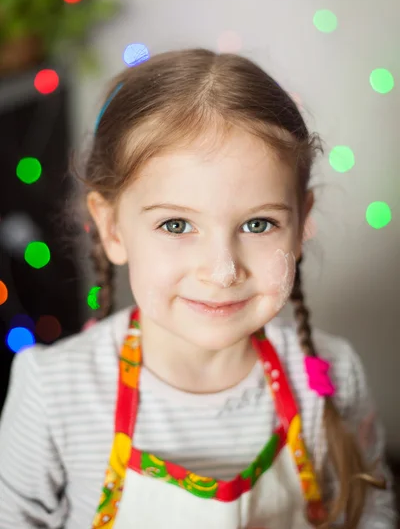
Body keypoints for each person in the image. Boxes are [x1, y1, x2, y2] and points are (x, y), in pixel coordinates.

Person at [0, 49, 396, 529]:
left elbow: (371, 513)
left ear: (301, 223)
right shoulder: (52, 391)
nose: (222, 270)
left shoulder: (333, 378)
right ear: (112, 229)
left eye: (258, 223)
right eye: (175, 225)